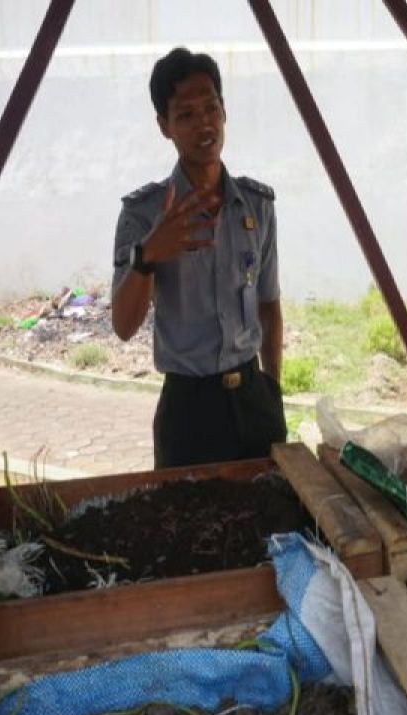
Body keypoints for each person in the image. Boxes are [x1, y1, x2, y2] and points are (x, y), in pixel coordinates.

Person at [111, 47, 286, 469]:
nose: (203, 123)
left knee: (270, 524)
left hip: (253, 398)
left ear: (224, 111)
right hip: (188, 410)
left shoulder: (256, 206)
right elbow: (123, 325)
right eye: (186, 115)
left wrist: (272, 389)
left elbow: (269, 306)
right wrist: (149, 254)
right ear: (164, 126)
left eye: (211, 108)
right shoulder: (143, 215)